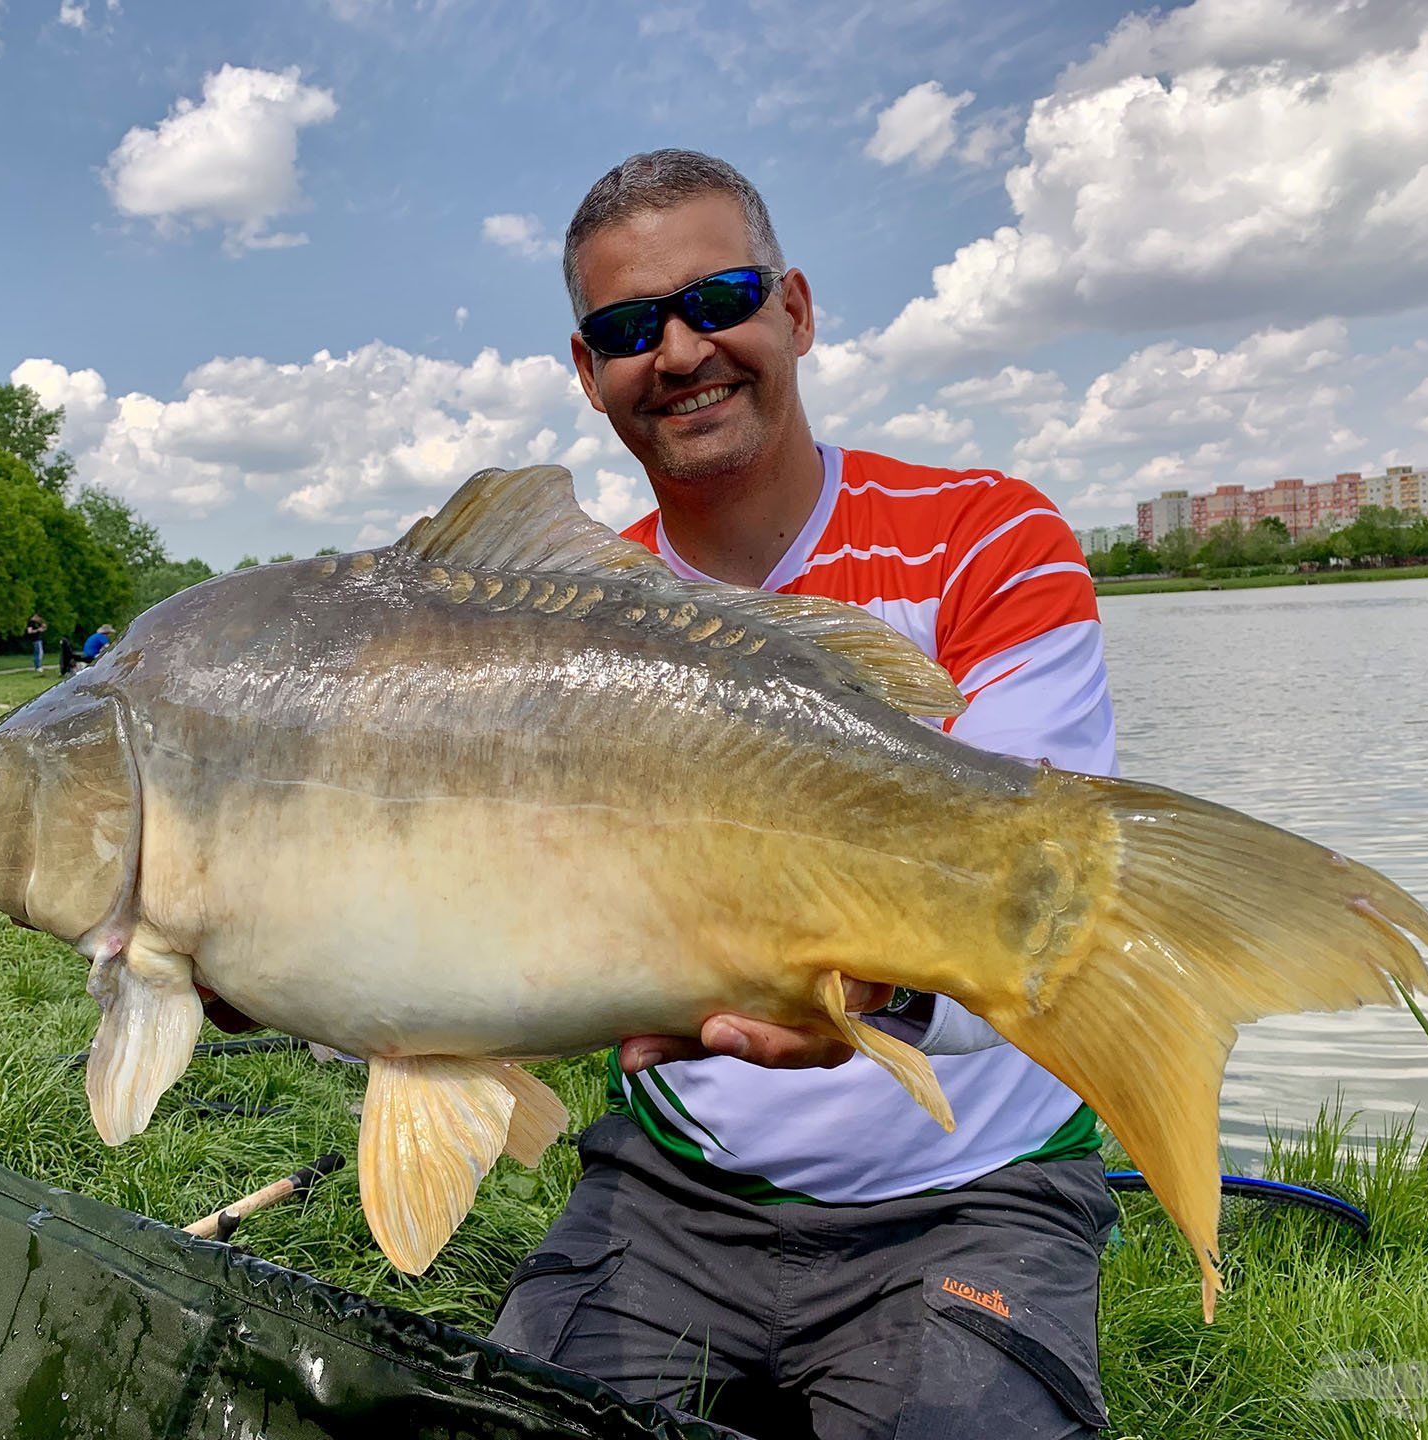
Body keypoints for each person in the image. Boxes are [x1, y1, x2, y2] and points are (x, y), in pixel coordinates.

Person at [486, 150, 1119, 1439]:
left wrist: (871, 989)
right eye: (625, 327)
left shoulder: (990, 541)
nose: (678, 349)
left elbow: (1055, 911)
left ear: (797, 310)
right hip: (678, 1185)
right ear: (587, 370)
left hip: (970, 1188)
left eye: (719, 296)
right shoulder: (563, 623)